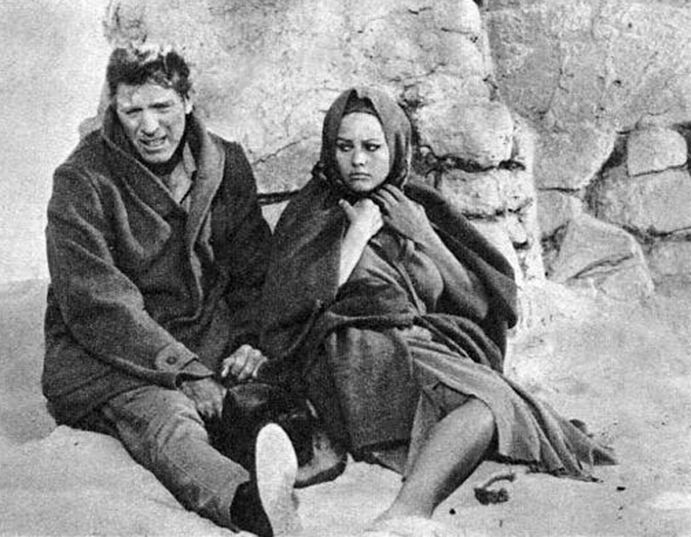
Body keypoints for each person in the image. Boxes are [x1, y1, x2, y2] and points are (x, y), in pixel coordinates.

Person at [258, 87, 617, 536]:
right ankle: (408, 511)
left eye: (372, 147)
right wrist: (357, 235)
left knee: (486, 407)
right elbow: (292, 305)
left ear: (395, 146)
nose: (357, 161)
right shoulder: (312, 211)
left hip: (421, 344)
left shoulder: (416, 205)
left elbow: (480, 304)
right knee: (488, 406)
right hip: (351, 353)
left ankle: (403, 512)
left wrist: (423, 235)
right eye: (344, 147)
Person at [43, 43, 299, 536]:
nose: (149, 126)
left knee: (271, 395)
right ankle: (249, 507)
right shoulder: (82, 180)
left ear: (187, 100)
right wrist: (184, 371)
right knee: (169, 419)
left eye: (161, 106)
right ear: (114, 109)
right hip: (111, 354)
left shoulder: (224, 162)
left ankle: (267, 457)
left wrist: (250, 339)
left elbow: (251, 268)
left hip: (204, 337)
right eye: (131, 111)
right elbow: (98, 305)